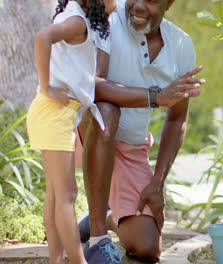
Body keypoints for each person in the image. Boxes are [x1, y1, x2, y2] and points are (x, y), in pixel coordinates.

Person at [74, 0, 205, 262]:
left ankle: (105, 217)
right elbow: (92, 87)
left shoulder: (180, 45)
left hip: (131, 147)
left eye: (152, 1)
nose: (139, 7)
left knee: (147, 249)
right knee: (107, 111)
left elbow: (176, 119)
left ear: (169, 4)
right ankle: (99, 240)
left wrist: (157, 184)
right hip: (90, 132)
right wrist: (156, 96)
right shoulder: (109, 20)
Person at [26, 0, 116, 263]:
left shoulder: (79, 18)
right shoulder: (77, 22)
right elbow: (42, 38)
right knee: (67, 195)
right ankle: (79, 261)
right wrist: (46, 87)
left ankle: (56, 259)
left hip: (57, 113)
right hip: (54, 113)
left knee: (56, 194)